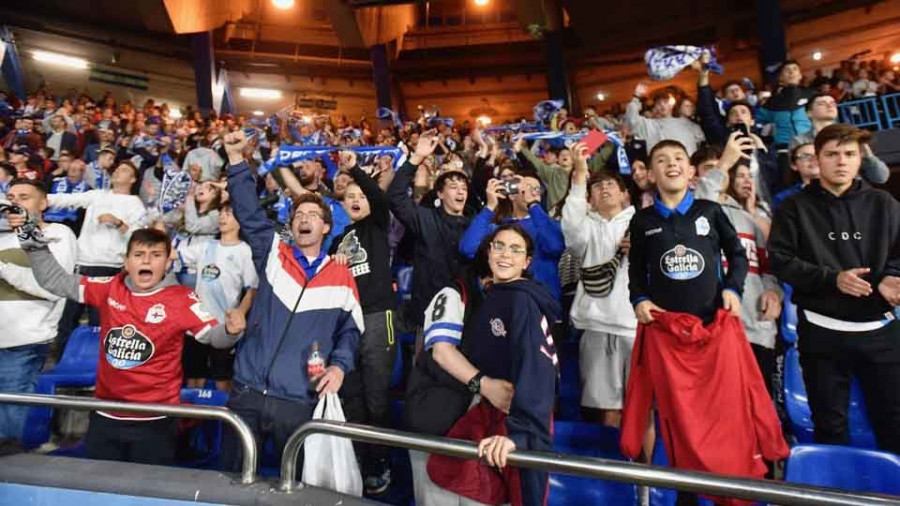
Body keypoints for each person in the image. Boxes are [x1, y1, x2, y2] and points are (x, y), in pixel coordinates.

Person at [10, 224, 245, 464]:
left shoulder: (181, 299)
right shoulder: (110, 287)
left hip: (156, 419)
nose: (147, 261)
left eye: (156, 256)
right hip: (105, 414)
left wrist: (229, 330)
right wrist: (32, 242)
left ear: (167, 263)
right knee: (99, 492)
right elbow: (56, 281)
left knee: (147, 495)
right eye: (139, 255)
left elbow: (214, 338)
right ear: (127, 261)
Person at [218, 131, 363, 472]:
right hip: (247, 392)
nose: (304, 219)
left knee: (293, 488)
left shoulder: (341, 275)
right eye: (298, 215)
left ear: (327, 227)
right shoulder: (273, 253)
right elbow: (249, 212)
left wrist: (340, 366)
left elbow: (352, 331)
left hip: (298, 400)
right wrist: (237, 161)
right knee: (228, 484)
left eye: (313, 214)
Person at [768, 124, 900, 454]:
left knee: (895, 424)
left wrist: (892, 276)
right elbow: (781, 261)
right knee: (830, 428)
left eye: (849, 154)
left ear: (860, 160)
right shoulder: (792, 208)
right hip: (822, 334)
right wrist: (832, 279)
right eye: (832, 154)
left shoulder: (884, 203)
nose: (841, 161)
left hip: (880, 331)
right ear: (817, 159)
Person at [466, 224, 561, 506]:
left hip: (522, 424)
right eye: (499, 246)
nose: (506, 254)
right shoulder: (497, 294)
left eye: (515, 249)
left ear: (527, 262)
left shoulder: (521, 299)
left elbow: (538, 369)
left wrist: (519, 433)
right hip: (500, 416)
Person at [330, 151, 397, 495]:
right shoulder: (336, 240)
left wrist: (354, 169)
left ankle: (380, 460)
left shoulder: (377, 224)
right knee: (352, 397)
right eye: (349, 197)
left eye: (361, 196)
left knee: (376, 397)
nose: (355, 200)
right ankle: (358, 459)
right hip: (346, 321)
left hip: (377, 315)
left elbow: (379, 197)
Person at [561, 142, 636, 427]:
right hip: (595, 325)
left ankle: (644, 469)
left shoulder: (642, 223)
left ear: (625, 194)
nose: (604, 189)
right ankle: (615, 469)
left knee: (642, 406)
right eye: (597, 187)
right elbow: (570, 224)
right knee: (606, 410)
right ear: (589, 198)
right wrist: (580, 173)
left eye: (611, 184)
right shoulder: (584, 228)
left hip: (636, 325)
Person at [0, 180, 77, 453]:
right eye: (10, 196)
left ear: (43, 203)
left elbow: (52, 287)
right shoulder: (3, 235)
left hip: (22, 341)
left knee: (6, 433)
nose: (14, 202)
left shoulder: (58, 234)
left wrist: (3, 268)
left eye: (24, 196)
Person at [47, 160, 148, 355]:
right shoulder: (97, 195)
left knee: (98, 325)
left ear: (133, 179)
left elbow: (138, 237)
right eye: (117, 169)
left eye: (124, 170)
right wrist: (40, 199)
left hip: (108, 269)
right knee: (66, 322)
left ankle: (95, 371)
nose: (118, 171)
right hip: (80, 266)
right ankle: (61, 366)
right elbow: (66, 199)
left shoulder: (135, 204)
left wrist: (118, 223)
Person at [388, 130, 472, 344]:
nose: (460, 191)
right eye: (453, 187)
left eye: (464, 187)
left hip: (467, 318)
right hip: (427, 318)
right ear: (440, 194)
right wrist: (416, 157)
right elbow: (396, 197)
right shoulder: (425, 218)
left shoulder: (475, 225)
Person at [177, 203, 257, 391]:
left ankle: (222, 419)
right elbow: (174, 255)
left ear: (239, 222)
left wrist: (240, 313)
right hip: (196, 324)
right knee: (194, 376)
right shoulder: (205, 246)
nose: (222, 217)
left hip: (224, 326)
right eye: (221, 213)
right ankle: (192, 419)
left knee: (222, 378)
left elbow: (252, 289)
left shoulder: (244, 251)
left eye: (228, 214)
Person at [459, 170, 565, 301]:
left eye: (537, 189)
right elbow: (468, 248)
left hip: (542, 304)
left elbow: (555, 246)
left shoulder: (550, 225)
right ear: (512, 195)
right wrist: (490, 207)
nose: (533, 192)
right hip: (504, 303)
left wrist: (533, 205)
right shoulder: (498, 229)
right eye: (526, 187)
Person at [790, 93, 889, 185]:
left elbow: (881, 178)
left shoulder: (852, 135)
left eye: (832, 103)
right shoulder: (800, 141)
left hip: (854, 191)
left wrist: (869, 156)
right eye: (822, 104)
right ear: (809, 113)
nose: (830, 106)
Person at [626, 83, 706, 155]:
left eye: (665, 101)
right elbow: (631, 121)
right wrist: (636, 97)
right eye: (658, 103)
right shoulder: (650, 125)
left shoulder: (691, 126)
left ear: (673, 103)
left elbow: (702, 148)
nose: (662, 105)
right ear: (654, 107)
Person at [756, 60, 814, 147]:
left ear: (800, 75)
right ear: (780, 78)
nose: (791, 72)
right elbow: (757, 122)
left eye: (795, 69)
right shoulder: (771, 102)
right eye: (787, 70)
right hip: (784, 148)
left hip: (812, 143)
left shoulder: (812, 95)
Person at [773, 142, 818, 209]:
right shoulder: (784, 198)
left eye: (817, 155)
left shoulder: (836, 192)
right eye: (805, 156)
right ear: (794, 165)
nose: (813, 160)